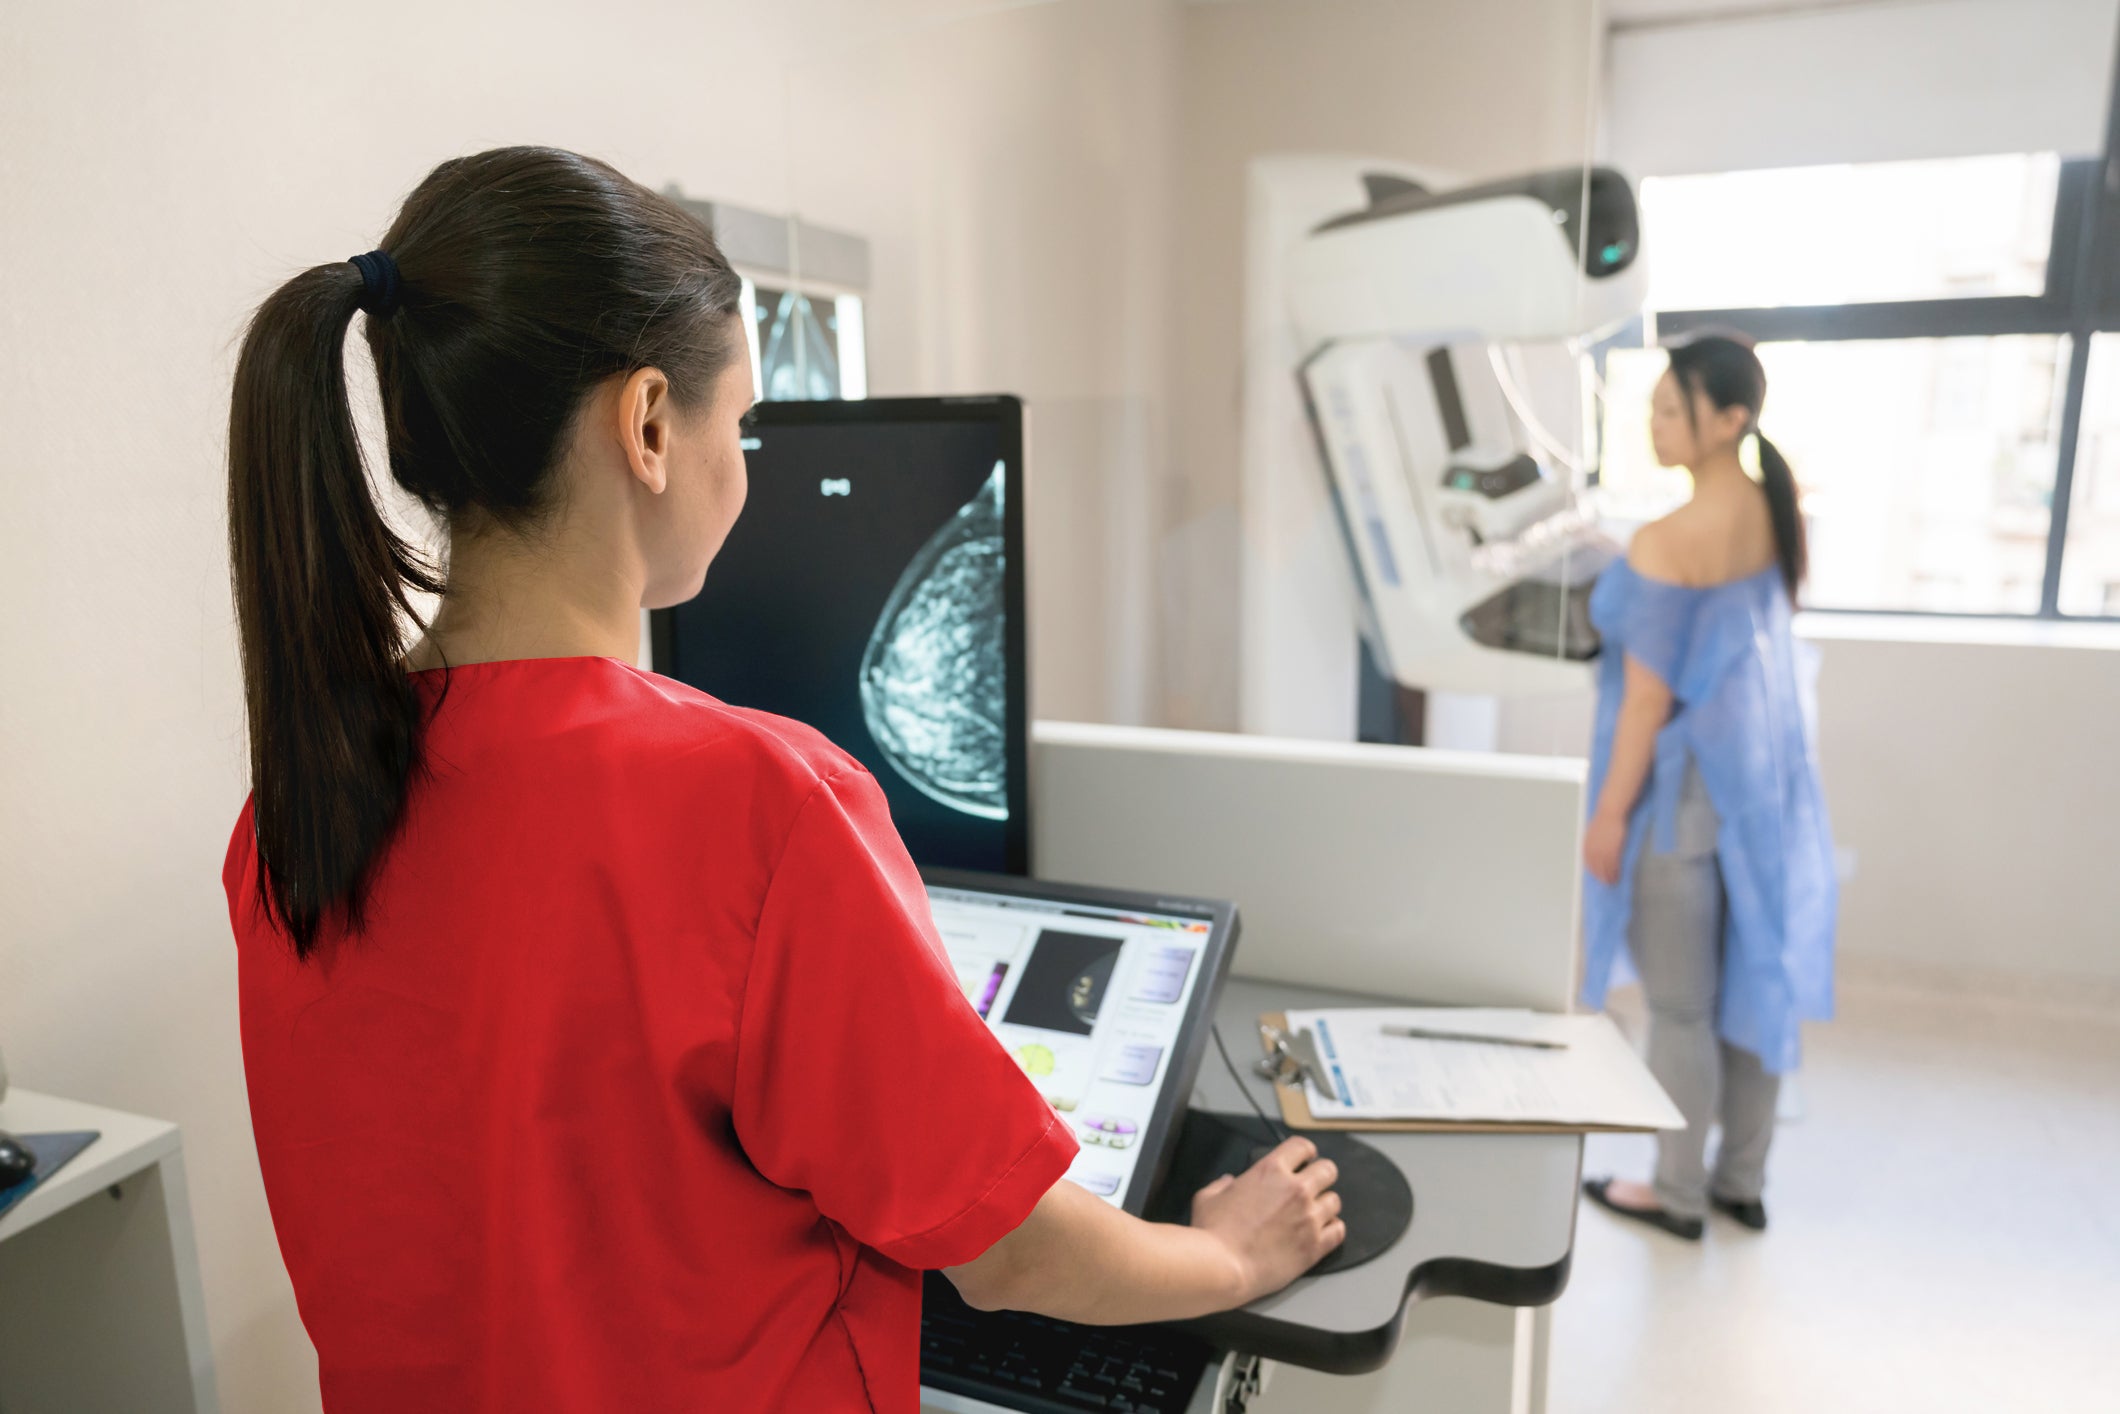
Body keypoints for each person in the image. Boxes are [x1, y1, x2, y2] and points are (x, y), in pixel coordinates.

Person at [223, 146, 1343, 1413]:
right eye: (740, 423)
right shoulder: (757, 808)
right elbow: (1009, 1251)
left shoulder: (293, 816)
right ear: (647, 425)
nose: (745, 466)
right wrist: (1229, 1251)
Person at [1577, 333, 1837, 1241]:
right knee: (1752, 978)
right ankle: (1739, 1181)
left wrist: (1608, 816)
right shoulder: (1775, 509)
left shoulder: (1667, 537)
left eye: (1670, 409)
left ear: (1729, 420)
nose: (1653, 423)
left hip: (1678, 799)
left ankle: (1676, 1193)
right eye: (1650, 406)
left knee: (1680, 1007)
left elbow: (1646, 701)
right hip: (1759, 786)